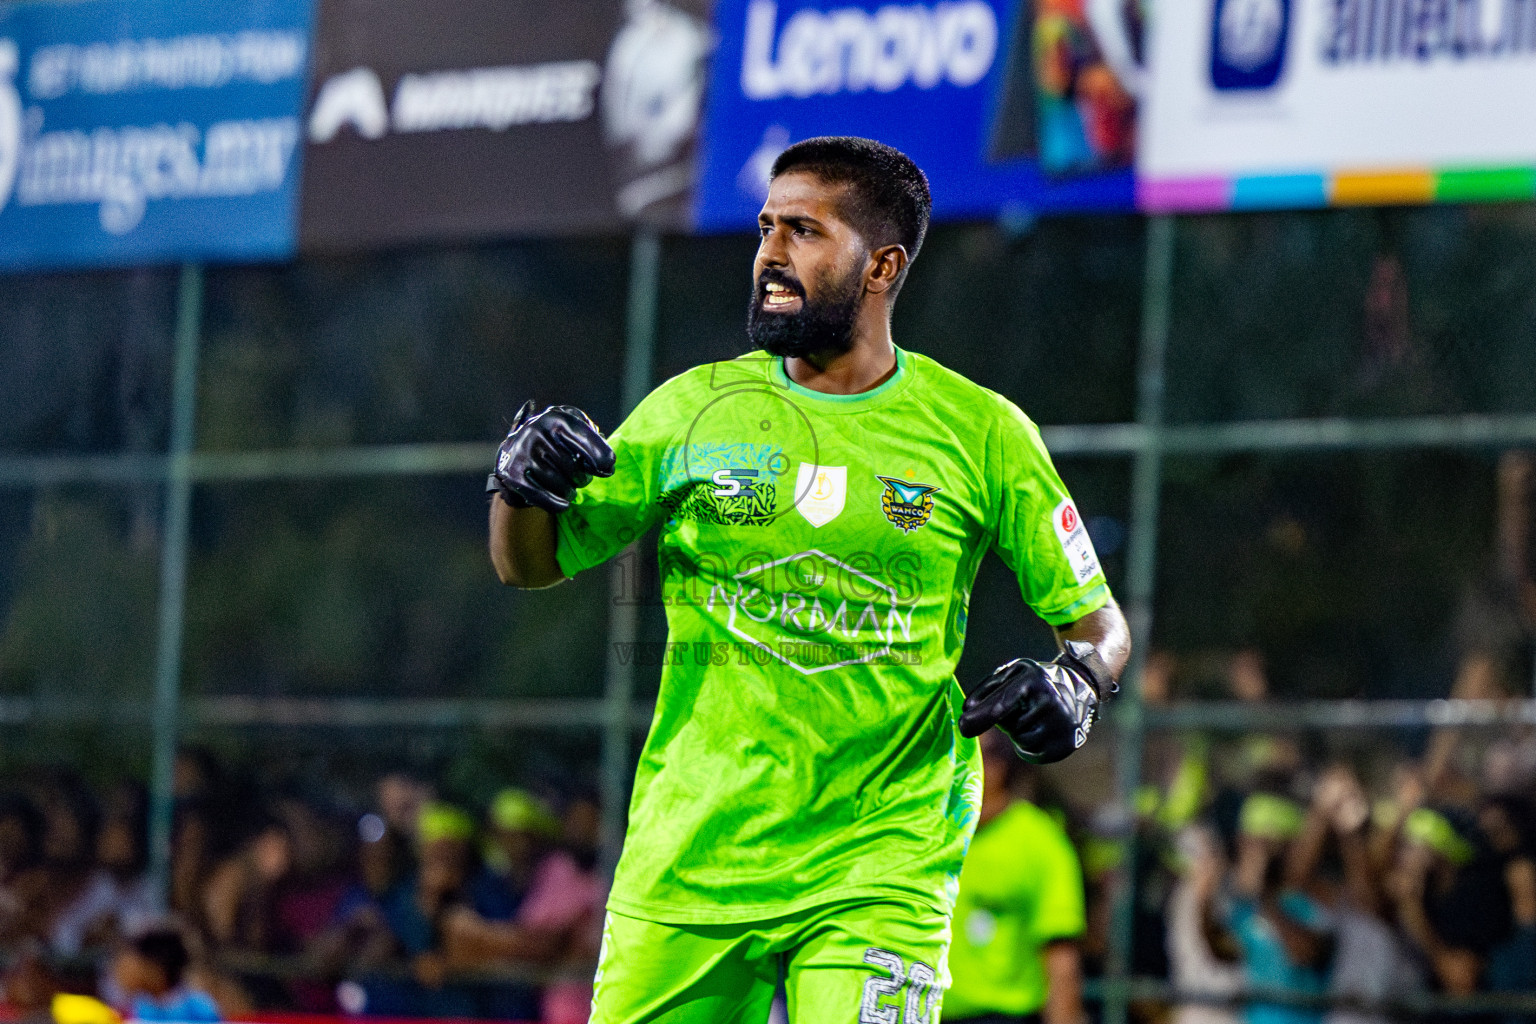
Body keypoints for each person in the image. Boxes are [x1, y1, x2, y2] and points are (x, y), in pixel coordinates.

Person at [487, 135, 1130, 1022]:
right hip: (694, 857)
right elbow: (528, 562)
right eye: (765, 228)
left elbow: (1101, 628)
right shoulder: (693, 409)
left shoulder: (981, 432)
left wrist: (1079, 681)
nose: (769, 255)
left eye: (804, 231)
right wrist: (518, 484)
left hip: (881, 864)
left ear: (882, 266)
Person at [943, 731, 1087, 1024]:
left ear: (999, 767)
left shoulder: (1040, 842)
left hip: (1003, 1017)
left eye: (969, 756)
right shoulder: (933, 833)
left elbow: (1062, 962)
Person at [110, 927, 221, 1022]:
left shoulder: (199, 1009)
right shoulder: (139, 1008)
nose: (121, 972)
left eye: (132, 966)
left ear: (156, 969)